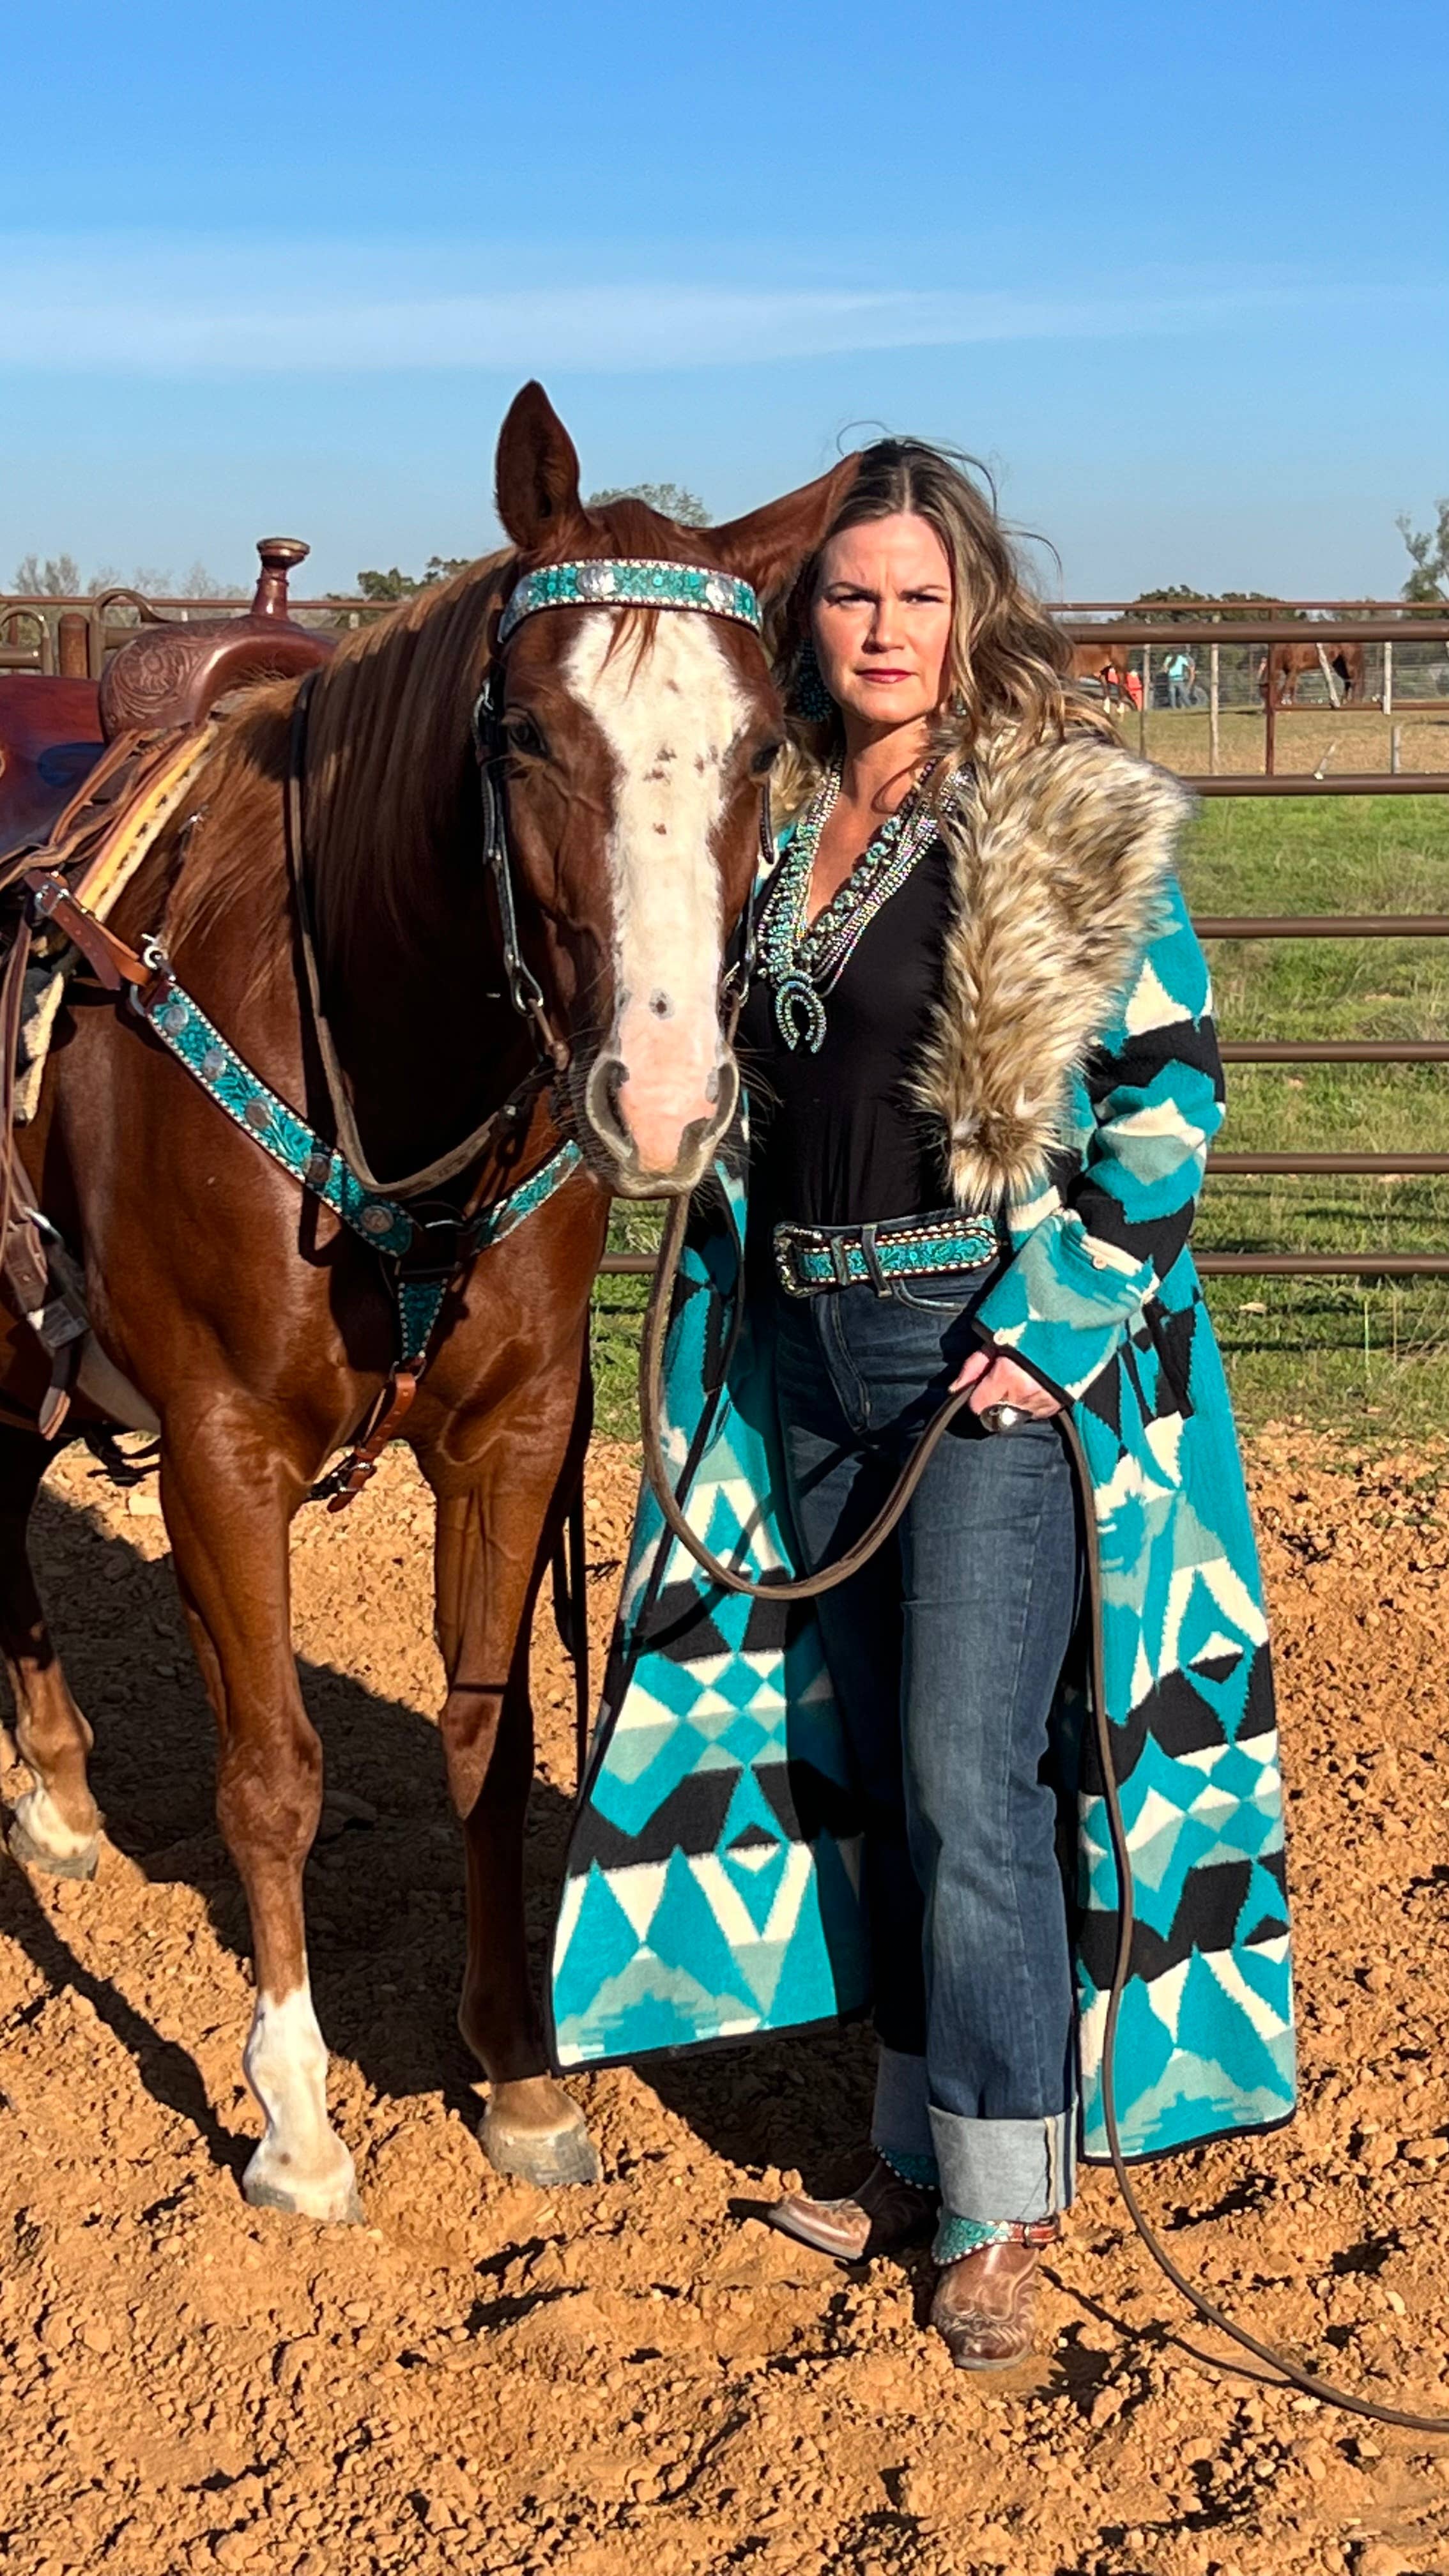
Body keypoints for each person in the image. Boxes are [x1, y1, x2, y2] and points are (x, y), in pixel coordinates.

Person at [550, 439, 1295, 2373]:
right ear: (807, 616)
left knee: (974, 1780)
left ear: (971, 610)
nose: (882, 629)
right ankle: (909, 2148)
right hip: (800, 1351)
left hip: (983, 1362)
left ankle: (1005, 2202)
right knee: (876, 1766)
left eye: (916, 596)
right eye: (851, 594)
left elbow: (1170, 1094)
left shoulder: (1051, 813)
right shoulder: (773, 812)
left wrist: (1055, 1321)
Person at [1165, 645, 1195, 709]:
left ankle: (1188, 708)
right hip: (1177, 679)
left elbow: (1192, 673)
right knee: (1174, 695)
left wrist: (1189, 684)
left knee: (1183, 696)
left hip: (1185, 681)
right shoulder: (1175, 657)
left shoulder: (1189, 660)